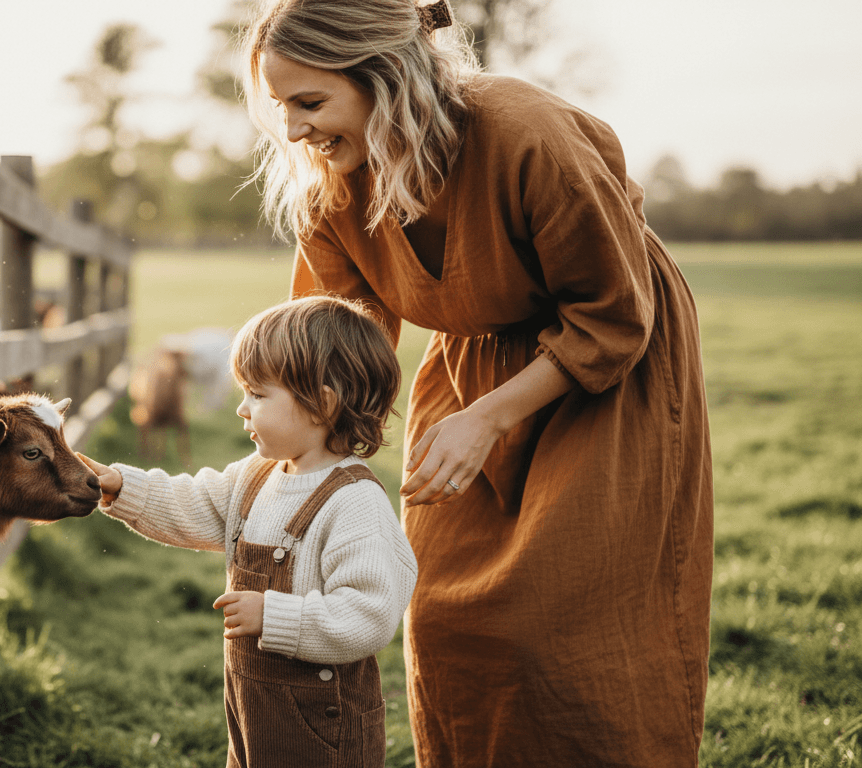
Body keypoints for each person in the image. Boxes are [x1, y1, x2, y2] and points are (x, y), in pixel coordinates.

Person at [242, 0, 715, 765]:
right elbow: (334, 343)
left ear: (383, 78)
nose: (293, 130)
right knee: (443, 615)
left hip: (602, 370)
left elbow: (616, 313)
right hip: (467, 373)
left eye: (311, 102)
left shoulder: (524, 133)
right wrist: (291, 480)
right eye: (280, 106)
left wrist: (490, 419)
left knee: (559, 629)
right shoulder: (331, 186)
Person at [78, 295, 417, 767]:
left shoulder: (355, 503)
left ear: (321, 404)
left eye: (257, 395)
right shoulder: (256, 475)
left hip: (325, 732)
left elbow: (369, 613)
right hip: (252, 712)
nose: (241, 409)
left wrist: (275, 616)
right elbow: (192, 502)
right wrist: (122, 486)